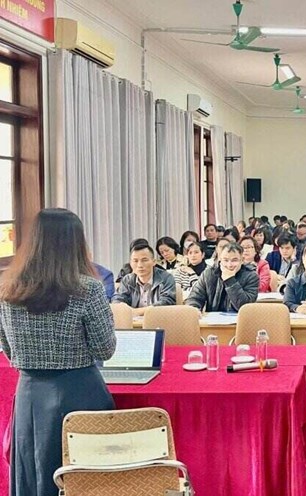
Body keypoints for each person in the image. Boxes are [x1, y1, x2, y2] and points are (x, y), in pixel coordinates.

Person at [0, 209, 116, 496]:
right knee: (84, 479)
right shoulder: (88, 289)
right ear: (76, 242)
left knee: (35, 475)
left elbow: (7, 347)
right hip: (79, 392)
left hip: (29, 396)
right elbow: (105, 348)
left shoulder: (8, 289)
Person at [186, 242, 259, 312]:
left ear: (242, 260)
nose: (229, 265)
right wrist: (194, 309)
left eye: (234, 260)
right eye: (226, 260)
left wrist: (230, 280)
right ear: (220, 260)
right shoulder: (209, 274)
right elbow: (194, 297)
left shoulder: (251, 276)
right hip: (213, 321)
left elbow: (244, 307)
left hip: (240, 321)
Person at [111, 242, 176, 316]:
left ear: (154, 262)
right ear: (130, 263)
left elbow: (167, 303)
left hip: (158, 322)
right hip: (132, 324)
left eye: (144, 260)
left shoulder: (166, 278)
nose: (139, 265)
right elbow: (117, 300)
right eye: (135, 261)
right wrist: (124, 308)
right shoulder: (127, 280)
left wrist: (136, 312)